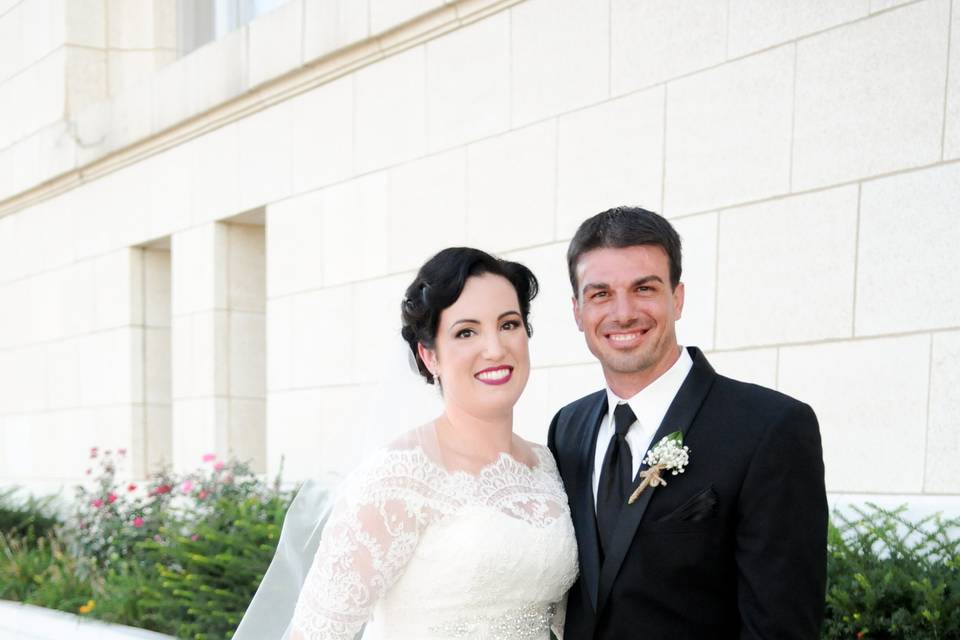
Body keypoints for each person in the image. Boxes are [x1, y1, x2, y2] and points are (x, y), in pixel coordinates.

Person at [548, 207, 828, 639]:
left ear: (677, 298)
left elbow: (780, 628)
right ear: (577, 311)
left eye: (644, 288)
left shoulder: (771, 428)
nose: (622, 313)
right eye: (600, 293)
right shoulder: (566, 427)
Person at [283, 247, 578, 639]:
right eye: (466, 332)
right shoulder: (398, 475)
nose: (495, 348)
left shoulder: (546, 466)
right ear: (429, 355)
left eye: (508, 324)